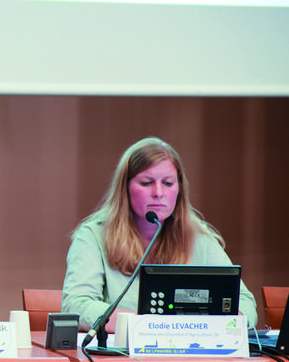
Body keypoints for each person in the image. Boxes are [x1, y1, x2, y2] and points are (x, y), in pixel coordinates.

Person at [61, 137, 257, 332]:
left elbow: (245, 304)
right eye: (146, 183)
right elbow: (76, 306)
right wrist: (147, 324)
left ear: (179, 189)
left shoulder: (200, 239)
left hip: (189, 355)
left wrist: (223, 322)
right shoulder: (94, 236)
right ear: (125, 188)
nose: (158, 192)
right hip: (122, 357)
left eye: (168, 183)